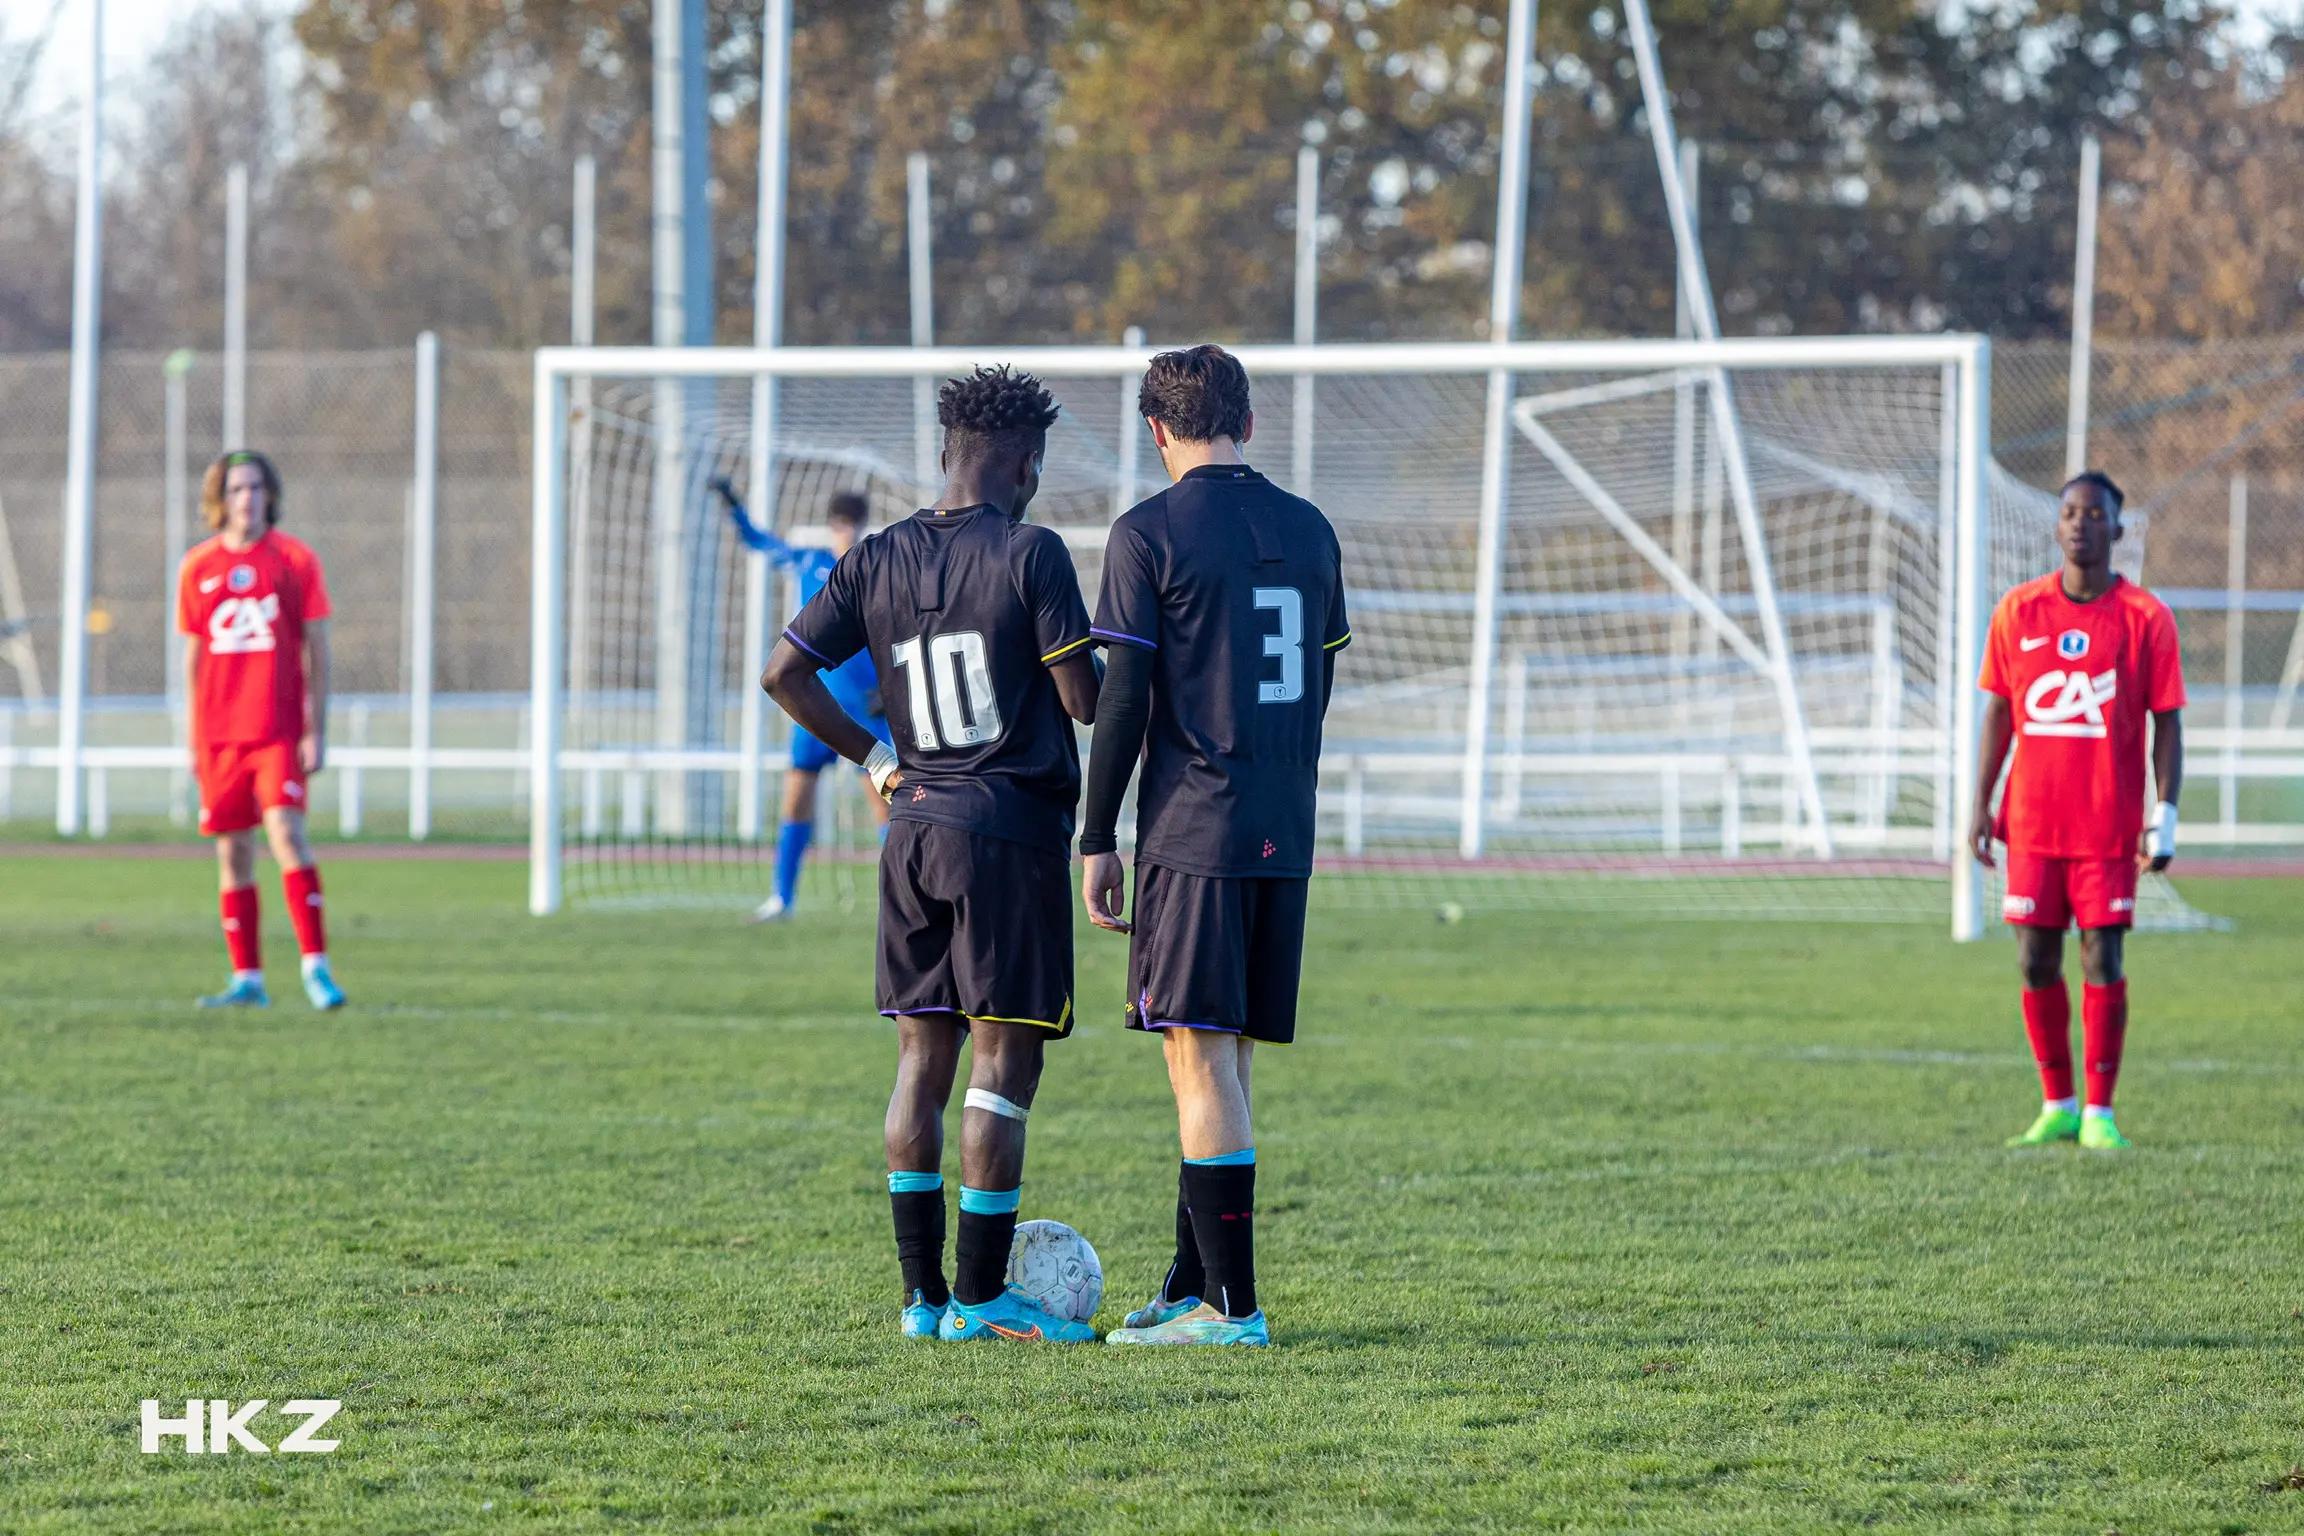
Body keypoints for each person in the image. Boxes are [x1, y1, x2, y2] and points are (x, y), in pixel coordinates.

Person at [759, 365, 1103, 1342]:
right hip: (1007, 838)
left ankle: (924, 1300)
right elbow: (1081, 702)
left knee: (922, 1059)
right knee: (1004, 1059)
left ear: (946, 454)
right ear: (1025, 466)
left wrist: (874, 758)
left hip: (912, 831)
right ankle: (985, 1296)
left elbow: (783, 672)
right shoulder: (1032, 554)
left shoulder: (875, 558)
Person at [1078, 345, 1350, 1347]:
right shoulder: (1310, 528)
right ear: (1248, 420)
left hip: (1196, 820)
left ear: (1156, 430)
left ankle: (1231, 1309)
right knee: (1221, 1054)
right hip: (1286, 817)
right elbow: (1319, 687)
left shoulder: (1149, 533)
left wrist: (1098, 834)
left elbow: (1122, 698)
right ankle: (1193, 1279)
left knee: (1197, 1058)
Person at [1970, 470, 2185, 1152]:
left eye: (2094, 514)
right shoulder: (2018, 612)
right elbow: (2000, 710)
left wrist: (2165, 817)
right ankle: (2056, 1103)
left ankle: (2100, 1112)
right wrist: (1979, 802)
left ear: (2117, 530)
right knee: (2034, 961)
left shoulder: (2145, 618)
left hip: (2105, 828)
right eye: (2069, 512)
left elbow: (2168, 724)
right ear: (2056, 525)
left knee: (2103, 956)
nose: (2079, 523)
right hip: (2031, 824)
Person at [175, 449, 346, 1011]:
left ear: (270, 495)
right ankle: (247, 978)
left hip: (277, 730)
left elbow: (317, 650)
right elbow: (194, 659)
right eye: (236, 490)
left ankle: (315, 968)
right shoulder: (197, 568)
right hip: (220, 735)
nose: (247, 499)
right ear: (218, 501)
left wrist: (315, 729)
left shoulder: (295, 561)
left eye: (255, 488)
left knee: (286, 835)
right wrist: (192, 737)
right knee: (233, 854)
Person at [718, 484, 891, 921]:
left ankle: (900, 899)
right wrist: (736, 506)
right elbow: (760, 542)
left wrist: (891, 687)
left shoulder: (876, 572)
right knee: (796, 800)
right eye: (840, 525)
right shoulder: (808, 564)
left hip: (863, 712)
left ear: (863, 527)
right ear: (831, 527)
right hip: (813, 709)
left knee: (887, 804)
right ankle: (782, 898)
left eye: (853, 524)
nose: (846, 533)